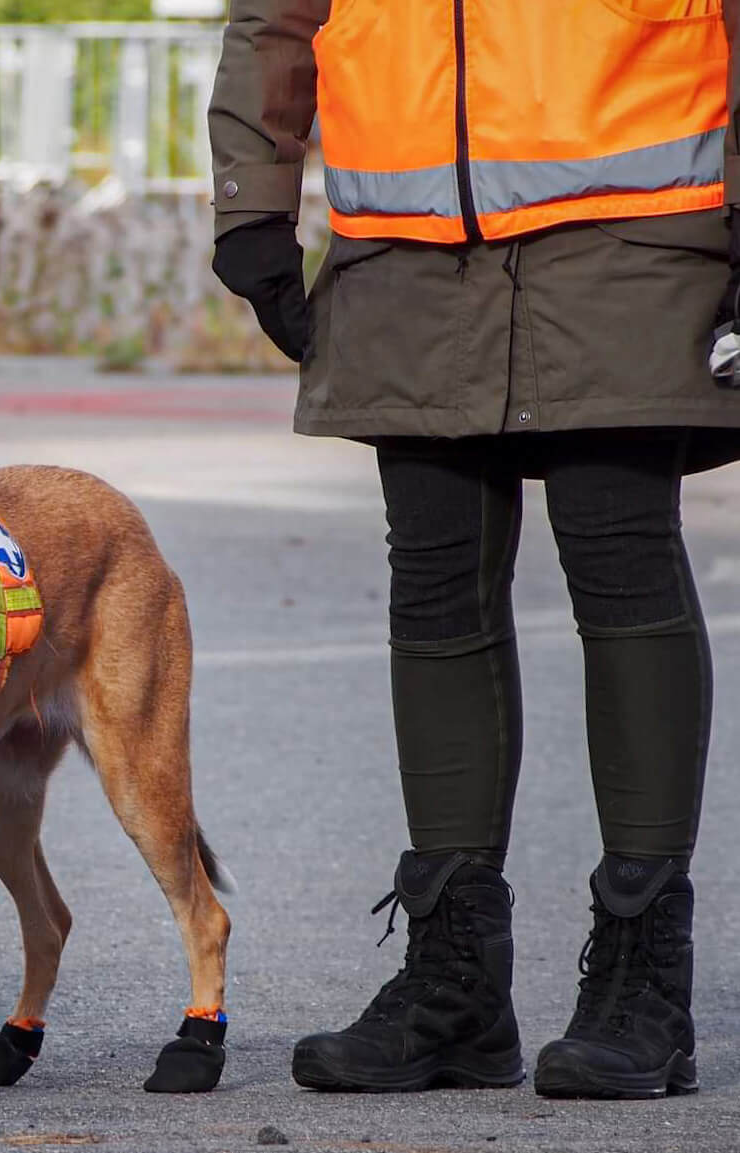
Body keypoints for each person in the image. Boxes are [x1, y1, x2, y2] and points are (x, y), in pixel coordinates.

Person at [210, 0, 738, 1100]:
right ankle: (452, 986)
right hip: (405, 244)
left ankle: (643, 977)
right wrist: (252, 198)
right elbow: (275, 11)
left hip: (630, 221)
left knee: (620, 558)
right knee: (434, 580)